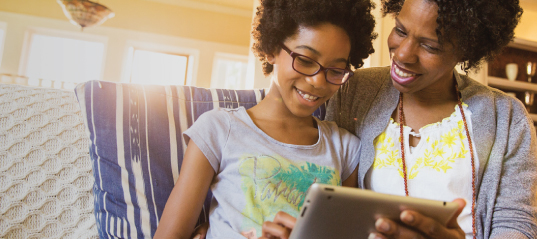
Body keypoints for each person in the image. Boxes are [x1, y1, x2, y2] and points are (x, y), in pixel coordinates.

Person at [262, 0, 537, 238]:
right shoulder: (355, 90)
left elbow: (516, 222)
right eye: (400, 30)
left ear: (467, 50)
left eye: (431, 46)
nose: (403, 54)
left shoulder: (506, 117)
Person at [153, 0, 377, 238]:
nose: (318, 82)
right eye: (305, 60)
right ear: (271, 50)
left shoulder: (345, 148)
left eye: (335, 70)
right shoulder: (219, 130)